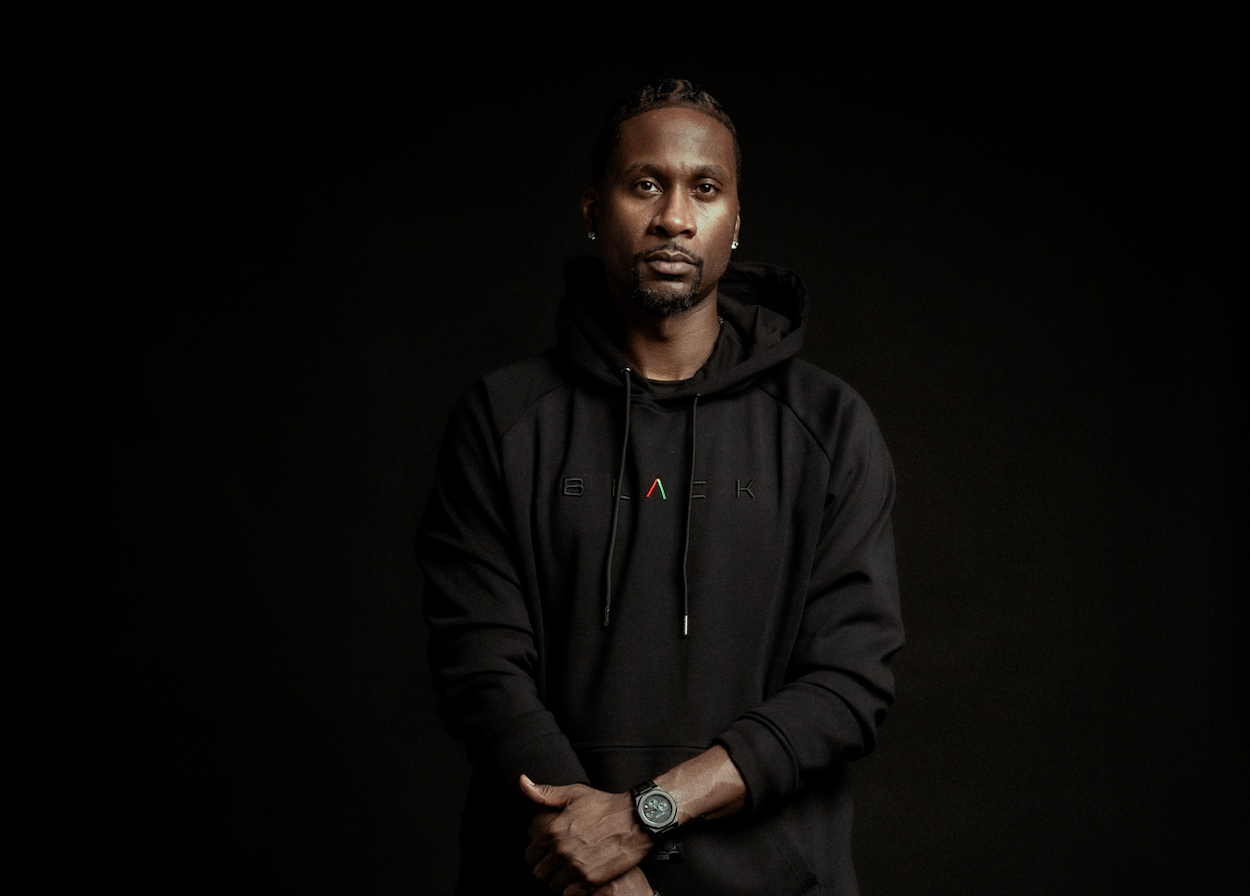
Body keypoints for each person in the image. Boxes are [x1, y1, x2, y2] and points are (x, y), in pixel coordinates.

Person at [418, 79, 904, 896]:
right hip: (556, 880)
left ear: (735, 220)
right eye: (645, 183)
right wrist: (596, 865)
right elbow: (480, 668)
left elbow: (849, 681)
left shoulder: (829, 426)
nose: (674, 217)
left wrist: (646, 815)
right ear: (592, 209)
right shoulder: (502, 420)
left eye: (704, 189)